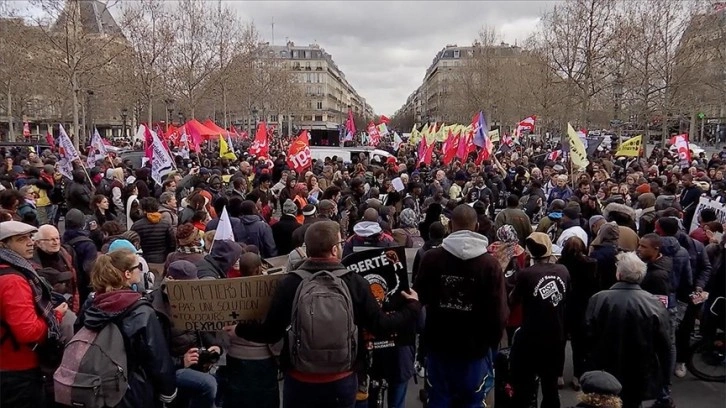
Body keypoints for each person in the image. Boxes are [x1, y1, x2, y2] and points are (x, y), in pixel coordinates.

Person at [228, 221, 420, 408]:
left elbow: (270, 332)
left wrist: (239, 329)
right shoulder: (355, 283)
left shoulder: (290, 283)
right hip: (342, 377)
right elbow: (380, 325)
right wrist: (411, 307)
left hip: (300, 378)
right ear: (335, 249)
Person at [414, 204, 508, 407]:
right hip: (474, 348)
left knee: (438, 398)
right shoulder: (489, 265)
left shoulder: (432, 258)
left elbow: (418, 297)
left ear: (450, 226)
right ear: (475, 226)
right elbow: (498, 311)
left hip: (439, 343)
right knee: (472, 400)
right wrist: (491, 342)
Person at [79, 249, 177, 407]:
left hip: (95, 385)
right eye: (137, 266)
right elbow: (157, 357)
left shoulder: (92, 303)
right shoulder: (141, 311)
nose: (140, 268)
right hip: (133, 389)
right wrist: (168, 391)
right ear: (127, 274)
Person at [584, 252, 671, 408]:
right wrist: (664, 379)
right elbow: (664, 344)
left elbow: (588, 334)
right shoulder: (654, 303)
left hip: (604, 369)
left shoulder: (599, 299)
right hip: (639, 371)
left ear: (619, 273)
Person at [0, 221, 66, 408]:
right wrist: (56, 317)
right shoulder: (13, 280)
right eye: (21, 239)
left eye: (30, 237)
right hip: (17, 370)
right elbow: (27, 331)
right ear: (4, 245)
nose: (30, 242)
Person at [510, 232, 571, 408]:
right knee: (550, 385)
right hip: (556, 334)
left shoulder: (526, 274)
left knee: (526, 385)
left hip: (531, 334)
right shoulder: (563, 270)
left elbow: (513, 299)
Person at [150, 260, 222, 408]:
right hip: (175, 368)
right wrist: (182, 361)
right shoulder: (155, 308)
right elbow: (155, 356)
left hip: (197, 362)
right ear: (171, 282)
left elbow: (202, 329)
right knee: (208, 385)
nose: (192, 289)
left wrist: (214, 346)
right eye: (187, 286)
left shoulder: (193, 298)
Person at [558, 237, 598, 390]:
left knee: (560, 342)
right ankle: (577, 376)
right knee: (580, 344)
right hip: (583, 307)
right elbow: (595, 286)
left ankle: (558, 375)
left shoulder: (560, 264)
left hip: (564, 306)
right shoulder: (591, 264)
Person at [33, 224, 80, 313]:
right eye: (51, 239)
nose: (56, 242)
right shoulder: (32, 262)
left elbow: (75, 282)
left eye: (57, 238)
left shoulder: (66, 254)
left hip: (70, 304)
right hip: (48, 309)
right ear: (38, 242)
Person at [130, 197, 176, 278]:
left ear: (144, 210)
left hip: (145, 259)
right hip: (162, 259)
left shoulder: (137, 225)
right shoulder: (166, 224)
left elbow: (132, 243)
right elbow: (172, 243)